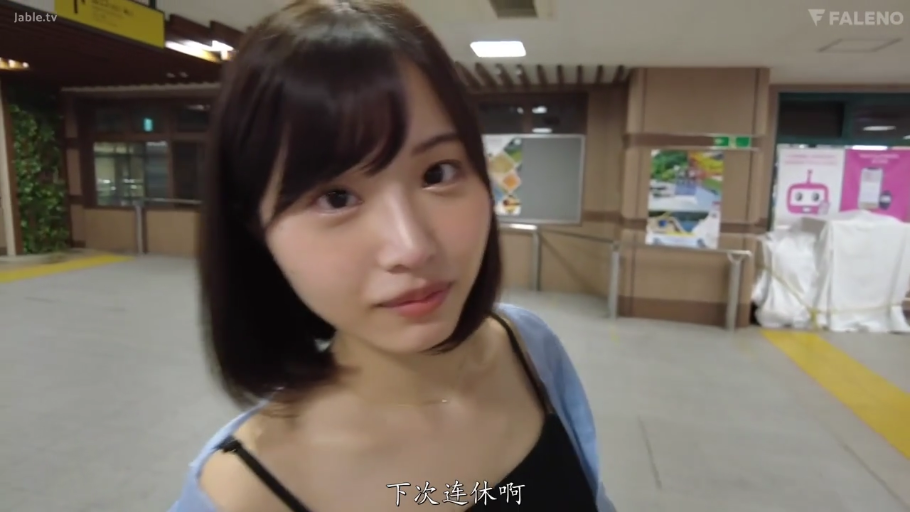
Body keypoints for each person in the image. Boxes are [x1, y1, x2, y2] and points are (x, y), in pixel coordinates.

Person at [170, 1, 614, 510]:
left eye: (438, 173)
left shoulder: (529, 348)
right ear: (254, 228)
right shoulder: (242, 493)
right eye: (336, 197)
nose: (412, 247)